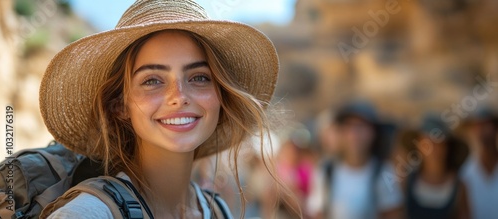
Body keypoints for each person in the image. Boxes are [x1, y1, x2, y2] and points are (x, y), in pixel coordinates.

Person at [37, 0, 290, 218]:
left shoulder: (217, 211)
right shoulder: (88, 213)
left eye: (199, 77)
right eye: (152, 81)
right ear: (119, 106)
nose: (178, 97)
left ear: (221, 95)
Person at [307, 101, 403, 219]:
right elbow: (318, 213)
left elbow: (392, 213)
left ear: (373, 132)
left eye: (361, 126)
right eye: (349, 127)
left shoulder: (384, 171)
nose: (354, 134)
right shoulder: (326, 170)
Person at [402, 114, 470, 219]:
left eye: (438, 142)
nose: (432, 148)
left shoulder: (459, 187)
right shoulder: (407, 182)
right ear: (418, 145)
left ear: (447, 146)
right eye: (427, 142)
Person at [459, 107, 498, 219]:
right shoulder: (465, 172)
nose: (481, 129)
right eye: (477, 125)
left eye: (486, 124)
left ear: (495, 128)